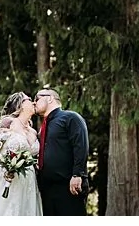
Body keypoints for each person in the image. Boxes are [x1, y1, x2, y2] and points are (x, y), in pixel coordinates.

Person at [34, 87, 89, 215]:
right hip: (46, 189)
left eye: (37, 98)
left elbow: (80, 146)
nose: (34, 102)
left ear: (50, 98)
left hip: (68, 185)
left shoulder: (70, 117)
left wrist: (77, 174)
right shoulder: (43, 128)